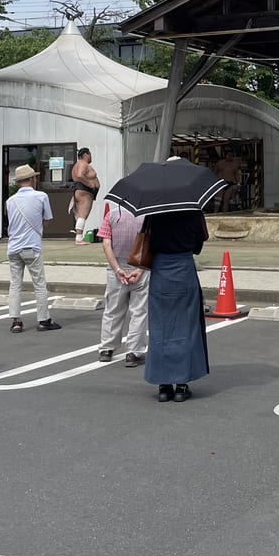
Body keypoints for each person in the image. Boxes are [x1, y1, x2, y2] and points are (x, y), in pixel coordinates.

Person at [145, 204, 211, 403]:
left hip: (160, 270)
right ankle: (181, 384)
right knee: (186, 326)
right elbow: (199, 245)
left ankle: (163, 385)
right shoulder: (192, 209)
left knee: (160, 327)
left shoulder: (153, 209)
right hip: (183, 267)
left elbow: (146, 239)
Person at [6, 164, 59, 334]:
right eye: (35, 177)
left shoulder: (10, 201)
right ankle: (43, 319)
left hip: (13, 247)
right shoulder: (41, 196)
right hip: (31, 246)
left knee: (15, 284)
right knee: (39, 284)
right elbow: (48, 219)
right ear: (31, 179)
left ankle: (16, 321)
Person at [97, 202, 149, 366]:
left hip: (116, 267)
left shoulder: (112, 215)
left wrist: (117, 268)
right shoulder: (147, 216)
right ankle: (134, 351)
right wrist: (140, 269)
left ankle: (107, 348)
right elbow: (151, 243)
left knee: (113, 309)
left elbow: (106, 243)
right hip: (141, 266)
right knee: (139, 311)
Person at [70, 148, 100, 244]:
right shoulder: (83, 164)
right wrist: (89, 183)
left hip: (81, 191)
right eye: (90, 154)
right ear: (86, 155)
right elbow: (79, 175)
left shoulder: (77, 165)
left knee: (81, 215)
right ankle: (79, 239)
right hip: (84, 192)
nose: (91, 156)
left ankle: (79, 237)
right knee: (83, 215)